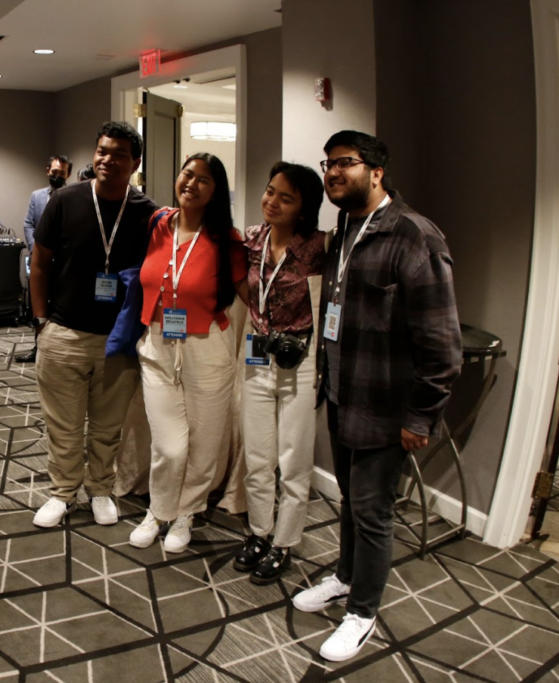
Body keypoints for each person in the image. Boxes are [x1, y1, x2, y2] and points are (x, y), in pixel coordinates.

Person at [291, 131, 462, 662]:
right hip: (344, 393)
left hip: (388, 409)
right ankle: (345, 577)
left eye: (345, 163)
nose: (333, 173)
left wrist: (422, 415)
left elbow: (443, 344)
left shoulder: (414, 236)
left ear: (377, 172)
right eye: (328, 164)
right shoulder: (346, 227)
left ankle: (362, 613)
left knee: (373, 512)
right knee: (350, 502)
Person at [30, 121, 157, 528]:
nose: (108, 159)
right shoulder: (65, 201)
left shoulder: (148, 213)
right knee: (63, 425)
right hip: (64, 332)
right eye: (103, 151)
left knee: (107, 427)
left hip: (117, 341)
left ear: (135, 162)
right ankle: (62, 492)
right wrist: (41, 322)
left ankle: (100, 489)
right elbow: (39, 264)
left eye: (119, 154)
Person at [126, 153, 247, 553]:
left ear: (216, 192)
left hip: (206, 348)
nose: (191, 184)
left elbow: (248, 293)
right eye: (187, 174)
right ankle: (158, 509)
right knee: (170, 444)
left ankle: (186, 512)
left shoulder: (226, 239)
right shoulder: (158, 223)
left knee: (205, 441)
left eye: (204, 180)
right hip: (158, 345)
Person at [231, 162, 326, 582]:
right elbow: (240, 280)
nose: (272, 201)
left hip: (300, 363)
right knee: (257, 456)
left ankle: (284, 543)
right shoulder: (252, 239)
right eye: (270, 191)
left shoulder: (320, 247)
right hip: (257, 355)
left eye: (285, 197)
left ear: (303, 208)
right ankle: (258, 532)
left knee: (293, 459)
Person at [17, 154, 73, 363]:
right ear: (47, 170)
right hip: (39, 261)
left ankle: (57, 350)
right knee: (37, 304)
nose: (58, 176)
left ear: (68, 174)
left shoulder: (72, 196)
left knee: (58, 304)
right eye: (55, 172)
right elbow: (28, 224)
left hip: (63, 262)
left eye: (62, 173)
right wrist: (36, 250)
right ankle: (37, 346)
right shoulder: (37, 196)